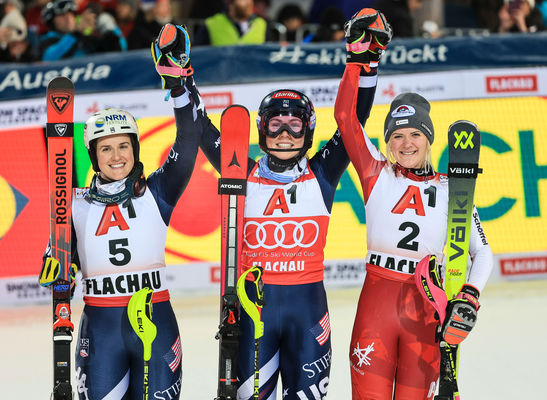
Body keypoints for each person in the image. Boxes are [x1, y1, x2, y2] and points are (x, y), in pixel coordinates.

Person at [189, 13, 381, 398]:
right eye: (275, 124)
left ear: (308, 130)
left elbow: (354, 120)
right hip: (252, 312)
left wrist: (364, 61)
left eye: (295, 124)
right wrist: (182, 79)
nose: (284, 133)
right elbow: (200, 128)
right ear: (261, 129)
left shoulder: (322, 172)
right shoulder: (239, 170)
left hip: (308, 313)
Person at [334, 9, 494, 399]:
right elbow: (345, 118)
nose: (406, 143)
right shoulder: (376, 174)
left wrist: (470, 295)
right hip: (377, 302)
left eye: (415, 135)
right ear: (388, 143)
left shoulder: (452, 188)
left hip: (427, 307)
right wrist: (358, 60)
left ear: (429, 139)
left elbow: (482, 253)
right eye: (397, 136)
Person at [39, 24, 200, 399]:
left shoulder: (158, 191)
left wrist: (179, 86)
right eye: (106, 148)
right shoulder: (74, 202)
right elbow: (58, 263)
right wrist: (56, 268)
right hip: (101, 328)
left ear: (136, 149)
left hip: (156, 321)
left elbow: (189, 142)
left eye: (123, 146)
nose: (116, 156)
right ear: (93, 156)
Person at [40, 0, 125, 60]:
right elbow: (50, 58)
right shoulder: (47, 40)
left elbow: (120, 53)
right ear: (52, 22)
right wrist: (76, 33)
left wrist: (110, 30)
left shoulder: (84, 36)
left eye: (71, 14)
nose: (68, 19)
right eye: (62, 16)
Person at [192, 0, 271, 46]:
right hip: (220, 70)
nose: (245, 2)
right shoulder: (212, 24)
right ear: (230, 3)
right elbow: (197, 56)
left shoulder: (261, 24)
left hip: (252, 70)